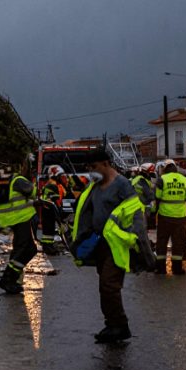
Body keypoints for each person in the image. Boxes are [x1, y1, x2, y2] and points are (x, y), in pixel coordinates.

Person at [71, 147, 154, 343]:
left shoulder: (122, 185)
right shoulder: (95, 185)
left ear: (106, 164)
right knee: (104, 285)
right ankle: (111, 324)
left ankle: (120, 326)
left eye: (93, 166)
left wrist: (138, 242)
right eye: (88, 167)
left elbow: (136, 214)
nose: (91, 171)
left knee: (109, 285)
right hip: (99, 243)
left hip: (116, 243)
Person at [0, 162, 38, 294]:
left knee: (21, 248)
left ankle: (12, 280)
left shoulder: (0, 182)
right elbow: (33, 191)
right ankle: (8, 279)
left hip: (10, 220)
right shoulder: (18, 180)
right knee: (28, 249)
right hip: (22, 218)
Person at [154, 160, 186, 275]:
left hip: (164, 216)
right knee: (178, 243)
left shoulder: (162, 180)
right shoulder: (184, 180)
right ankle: (177, 269)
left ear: (165, 169)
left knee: (161, 242)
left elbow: (157, 197)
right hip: (180, 217)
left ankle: (161, 269)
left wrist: (154, 213)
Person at [37, 165, 67, 255]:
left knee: (48, 230)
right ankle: (48, 248)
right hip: (49, 210)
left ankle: (48, 247)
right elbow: (56, 201)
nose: (62, 178)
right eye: (60, 176)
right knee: (48, 231)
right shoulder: (53, 186)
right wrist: (60, 210)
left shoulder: (49, 184)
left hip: (47, 210)